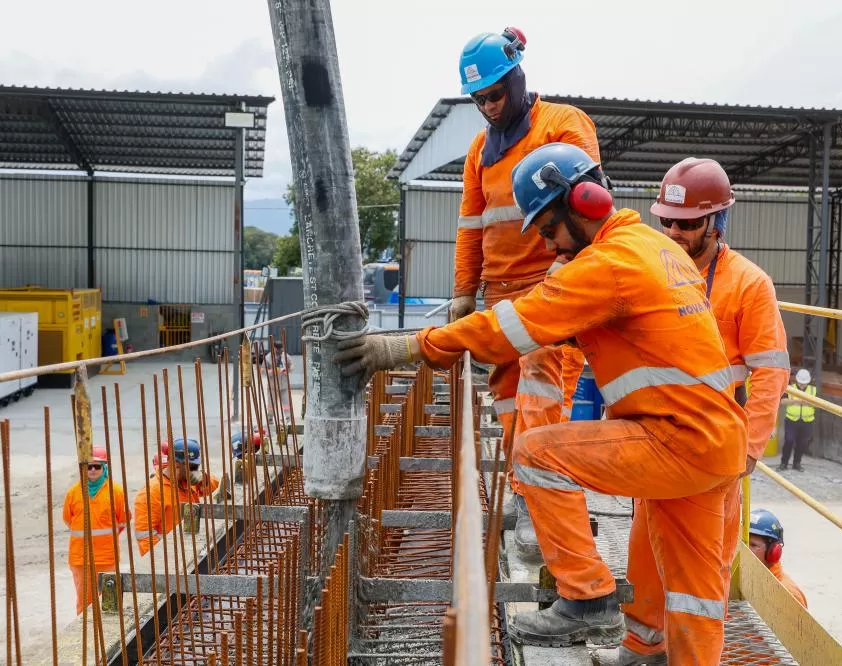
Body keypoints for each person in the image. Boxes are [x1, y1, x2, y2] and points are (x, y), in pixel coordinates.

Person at [334, 143, 749, 661]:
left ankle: (587, 593)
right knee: (695, 596)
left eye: (551, 231)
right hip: (716, 443)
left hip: (677, 439)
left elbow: (509, 327)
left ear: (586, 201)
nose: (552, 248)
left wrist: (407, 346)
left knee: (536, 452)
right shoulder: (648, 245)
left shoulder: (609, 263)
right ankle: (653, 654)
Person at [594, 158, 790, 665]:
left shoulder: (748, 284)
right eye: (668, 222)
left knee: (702, 575)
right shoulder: (651, 270)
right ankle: (642, 646)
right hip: (657, 440)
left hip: (714, 450)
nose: (675, 232)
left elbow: (770, 372)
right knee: (644, 548)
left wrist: (749, 449)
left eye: (688, 223)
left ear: (717, 222)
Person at [452, 27, 599, 556]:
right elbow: (471, 227)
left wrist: (572, 275)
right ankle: (525, 487)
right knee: (511, 399)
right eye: (479, 100)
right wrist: (464, 293)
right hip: (503, 296)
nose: (489, 107)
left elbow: (589, 204)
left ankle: (539, 505)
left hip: (553, 288)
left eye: (495, 94)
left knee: (543, 390)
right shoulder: (479, 151)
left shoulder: (562, 124)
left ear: (517, 77)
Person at [62, 447, 128, 615]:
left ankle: (105, 637)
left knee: (108, 601)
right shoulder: (73, 493)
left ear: (104, 468)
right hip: (80, 558)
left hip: (107, 557)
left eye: (96, 466)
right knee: (85, 603)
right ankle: (87, 638)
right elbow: (68, 519)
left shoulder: (116, 492)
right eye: (88, 466)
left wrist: (105, 538)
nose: (92, 470)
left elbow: (123, 520)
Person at [133, 438, 220, 556]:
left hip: (193, 550)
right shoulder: (151, 493)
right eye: (193, 467)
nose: (195, 470)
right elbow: (145, 537)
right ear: (177, 464)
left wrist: (203, 478)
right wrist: (167, 559)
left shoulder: (188, 481)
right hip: (171, 557)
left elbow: (214, 485)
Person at [747, 508, 807, 607]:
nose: (746, 550)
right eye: (744, 543)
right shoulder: (746, 580)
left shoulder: (789, 594)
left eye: (753, 545)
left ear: (773, 552)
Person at [780, 368, 816, 471]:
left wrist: (808, 402)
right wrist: (795, 401)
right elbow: (782, 401)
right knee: (789, 441)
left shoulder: (813, 390)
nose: (802, 385)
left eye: (804, 383)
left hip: (807, 421)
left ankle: (797, 463)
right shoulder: (791, 388)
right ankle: (784, 463)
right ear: (797, 380)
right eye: (800, 383)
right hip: (791, 420)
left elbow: (819, 404)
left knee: (802, 443)